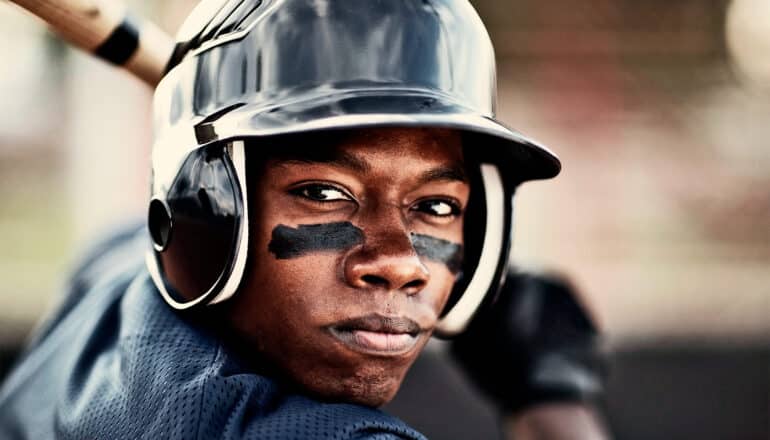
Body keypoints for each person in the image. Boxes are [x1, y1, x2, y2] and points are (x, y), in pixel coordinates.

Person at [0, 0, 607, 438]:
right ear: (199, 215)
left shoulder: (108, 275)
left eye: (437, 206)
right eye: (323, 192)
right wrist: (552, 404)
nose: (400, 263)